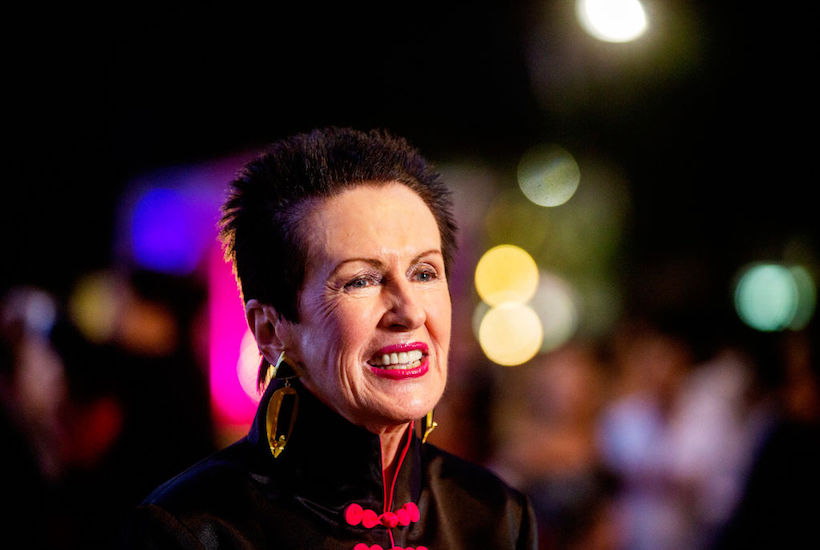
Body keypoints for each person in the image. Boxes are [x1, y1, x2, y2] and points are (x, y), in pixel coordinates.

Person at [126, 127, 537, 549]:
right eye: (360, 280)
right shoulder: (195, 532)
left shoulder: (495, 516)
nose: (411, 311)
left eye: (424, 273)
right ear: (271, 330)